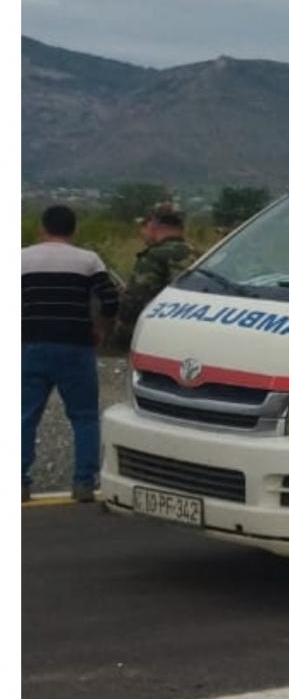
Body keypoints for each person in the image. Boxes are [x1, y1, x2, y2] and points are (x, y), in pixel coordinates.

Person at [23, 204, 120, 501]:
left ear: (42, 228)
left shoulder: (21, 258)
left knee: (24, 416)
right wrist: (101, 329)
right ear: (73, 229)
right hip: (76, 346)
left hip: (30, 345)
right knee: (84, 417)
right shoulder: (88, 260)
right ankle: (84, 483)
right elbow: (110, 300)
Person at [113, 202, 197, 350]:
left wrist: (121, 331)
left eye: (145, 224)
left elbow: (135, 300)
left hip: (158, 334)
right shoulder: (200, 256)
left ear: (154, 223)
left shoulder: (153, 257)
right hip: (191, 331)